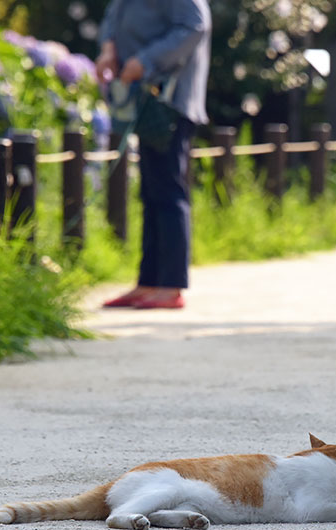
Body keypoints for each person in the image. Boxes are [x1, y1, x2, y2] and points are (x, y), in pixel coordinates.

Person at [96, 0, 211, 309]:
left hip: (171, 102)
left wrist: (145, 60)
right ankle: (149, 281)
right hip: (145, 101)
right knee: (150, 191)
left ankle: (171, 285)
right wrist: (109, 48)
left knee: (168, 191)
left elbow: (194, 26)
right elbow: (114, 14)